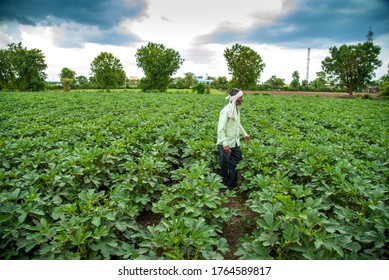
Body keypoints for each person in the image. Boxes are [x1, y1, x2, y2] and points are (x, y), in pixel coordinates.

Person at [217, 88, 250, 189]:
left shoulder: (235, 109)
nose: (242, 99)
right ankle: (221, 186)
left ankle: (231, 184)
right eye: (240, 97)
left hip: (235, 143)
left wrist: (245, 134)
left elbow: (237, 124)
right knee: (224, 166)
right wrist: (225, 143)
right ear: (235, 98)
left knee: (236, 162)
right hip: (225, 144)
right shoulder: (226, 110)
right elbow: (220, 129)